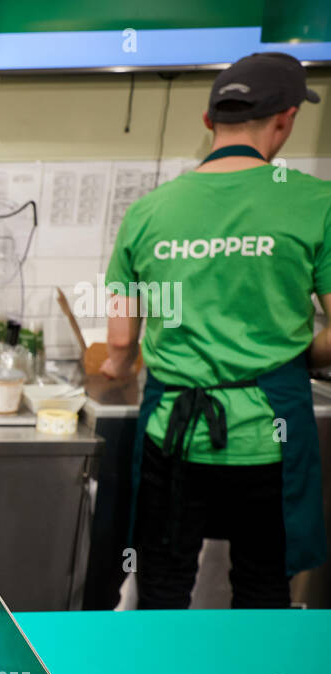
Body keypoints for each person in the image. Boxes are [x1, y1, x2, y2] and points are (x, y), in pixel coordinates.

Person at [101, 52, 331, 608]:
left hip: (172, 439)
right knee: (262, 588)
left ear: (209, 122)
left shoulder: (151, 210)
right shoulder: (315, 202)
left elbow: (120, 341)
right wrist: (298, 354)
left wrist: (115, 372)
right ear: (286, 119)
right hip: (268, 438)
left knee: (163, 585)